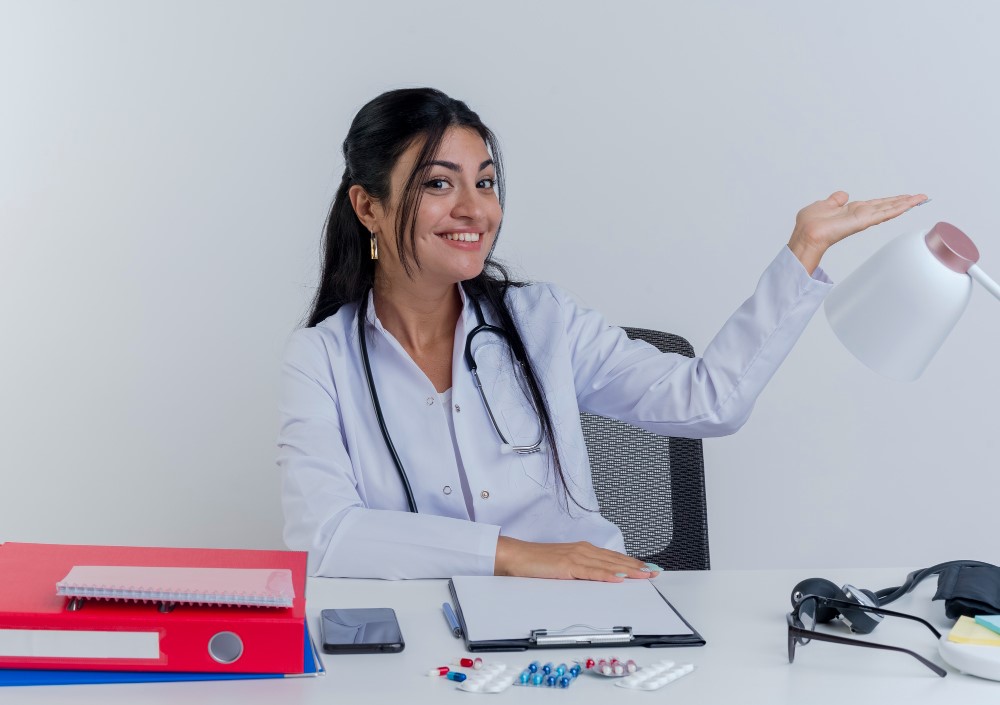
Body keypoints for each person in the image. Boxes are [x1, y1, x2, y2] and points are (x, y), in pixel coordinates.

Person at [277, 87, 926, 581]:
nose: (475, 208)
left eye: (485, 182)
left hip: (582, 622)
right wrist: (517, 555)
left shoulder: (543, 322)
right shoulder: (323, 359)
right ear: (369, 205)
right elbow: (326, 538)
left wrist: (802, 250)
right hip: (423, 641)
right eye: (439, 183)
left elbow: (708, 401)